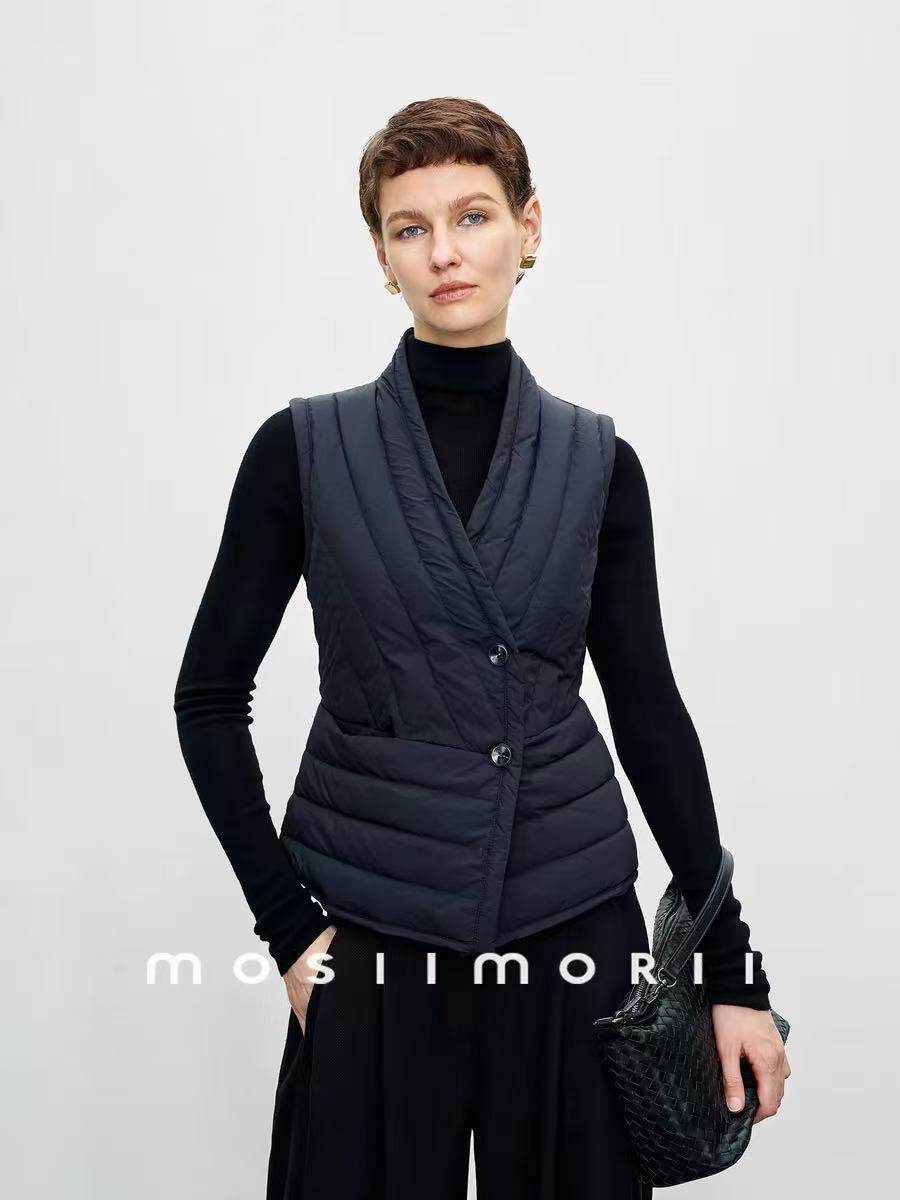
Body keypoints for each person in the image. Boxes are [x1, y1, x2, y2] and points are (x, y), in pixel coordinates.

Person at [174, 97, 790, 1199]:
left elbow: (648, 709)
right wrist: (290, 930)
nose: (444, 253)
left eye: (473, 216)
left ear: (528, 227)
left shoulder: (599, 463)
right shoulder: (302, 450)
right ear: (381, 256)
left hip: (570, 919)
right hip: (370, 919)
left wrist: (731, 965)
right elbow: (209, 698)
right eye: (410, 228)